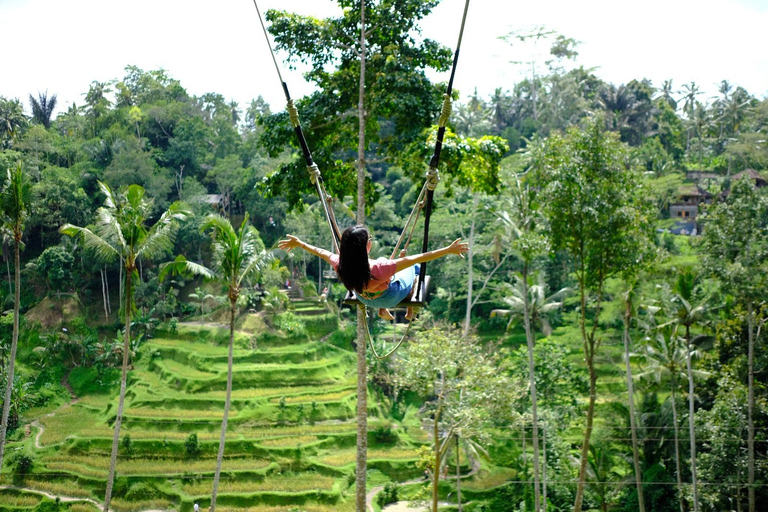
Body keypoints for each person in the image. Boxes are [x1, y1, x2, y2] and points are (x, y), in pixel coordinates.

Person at [279, 225, 467, 320]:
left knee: (388, 267)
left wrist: (300, 244)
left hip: (364, 298)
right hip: (390, 296)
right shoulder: (378, 269)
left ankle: (381, 310)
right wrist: (448, 250)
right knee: (412, 268)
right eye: (369, 238)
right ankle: (410, 308)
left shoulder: (340, 263)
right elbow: (417, 258)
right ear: (366, 246)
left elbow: (320, 251)